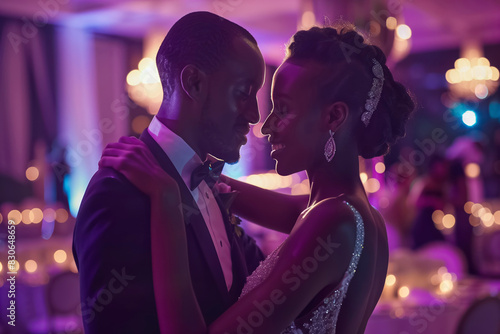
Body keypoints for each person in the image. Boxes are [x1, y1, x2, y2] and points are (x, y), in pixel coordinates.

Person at [100, 24, 415, 333]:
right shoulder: (354, 213)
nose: (265, 126)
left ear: (333, 117)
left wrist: (167, 200)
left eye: (283, 109)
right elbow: (251, 197)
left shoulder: (333, 221)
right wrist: (188, 167)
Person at [72, 12, 266, 333]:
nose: (255, 114)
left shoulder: (208, 180)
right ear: (193, 83)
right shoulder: (116, 193)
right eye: (244, 92)